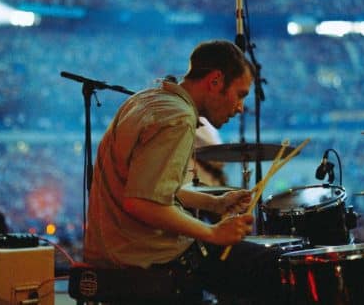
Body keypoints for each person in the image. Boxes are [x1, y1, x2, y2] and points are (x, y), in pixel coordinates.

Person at [84, 40, 287, 304]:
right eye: (240, 94)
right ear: (215, 81)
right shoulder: (177, 118)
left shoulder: (146, 100)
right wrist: (213, 233)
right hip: (146, 258)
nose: (239, 108)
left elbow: (150, 186)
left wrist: (214, 202)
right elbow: (142, 202)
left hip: (117, 250)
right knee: (276, 267)